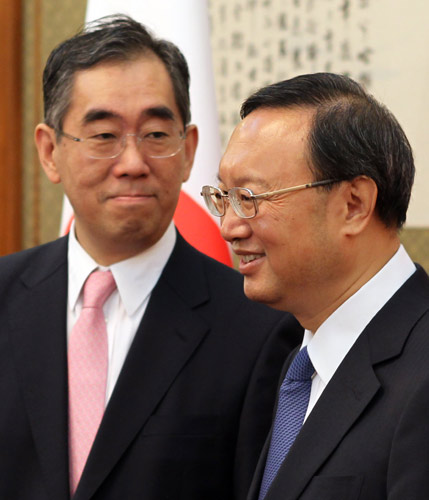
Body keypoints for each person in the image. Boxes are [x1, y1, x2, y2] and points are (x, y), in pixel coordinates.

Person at [0, 15, 302, 500]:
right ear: (50, 151)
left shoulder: (259, 326)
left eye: (157, 135)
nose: (134, 163)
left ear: (188, 151)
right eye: (103, 136)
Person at [202, 72, 429, 499]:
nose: (229, 227)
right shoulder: (300, 363)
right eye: (223, 197)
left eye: (250, 197)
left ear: (354, 204)